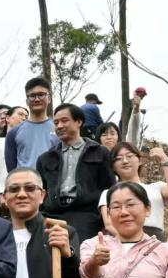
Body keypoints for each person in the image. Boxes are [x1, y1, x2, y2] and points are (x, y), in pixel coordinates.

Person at [38, 103, 116, 244]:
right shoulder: (45, 158)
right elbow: (41, 192)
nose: (59, 126)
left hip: (87, 215)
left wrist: (106, 222)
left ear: (79, 122)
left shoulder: (99, 152)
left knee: (81, 259)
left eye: (64, 120)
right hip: (52, 215)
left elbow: (109, 189)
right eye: (56, 123)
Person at [98, 143, 168, 239]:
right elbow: (109, 224)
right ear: (113, 166)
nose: (125, 161)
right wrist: (131, 241)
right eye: (119, 158)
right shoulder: (108, 193)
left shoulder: (156, 188)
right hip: (121, 242)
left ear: (139, 160)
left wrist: (164, 159)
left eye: (129, 156)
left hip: (155, 241)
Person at [4, 76, 59, 171]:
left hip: (52, 183)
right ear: (26, 101)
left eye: (41, 94)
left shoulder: (59, 129)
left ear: (49, 98)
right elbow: (11, 168)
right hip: (25, 183)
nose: (37, 99)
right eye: (32, 96)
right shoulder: (14, 133)